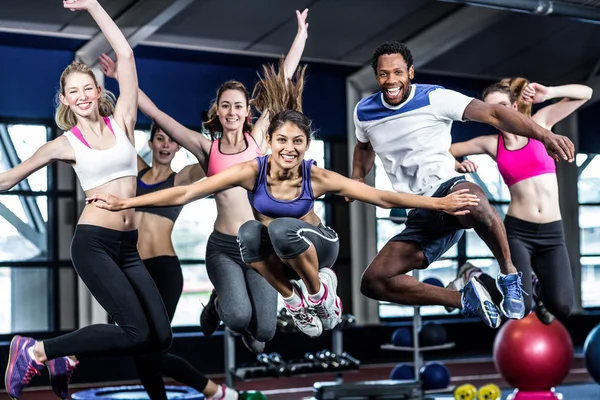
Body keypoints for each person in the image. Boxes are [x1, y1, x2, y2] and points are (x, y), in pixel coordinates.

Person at [86, 63, 481, 338]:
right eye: (281, 141)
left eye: (297, 142)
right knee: (249, 231)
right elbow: (187, 191)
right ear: (268, 142)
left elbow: (379, 195)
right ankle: (294, 300)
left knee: (278, 227)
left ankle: (320, 291)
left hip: (318, 248)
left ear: (306, 145)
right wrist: (127, 204)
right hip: (277, 254)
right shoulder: (251, 170)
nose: (289, 149)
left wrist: (437, 204)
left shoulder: (317, 175)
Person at [98, 8, 310, 353]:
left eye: (238, 106)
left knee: (265, 333)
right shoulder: (204, 148)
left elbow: (282, 81)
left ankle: (228, 308)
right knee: (239, 317)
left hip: (259, 246)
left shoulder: (258, 141)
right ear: (218, 111)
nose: (231, 112)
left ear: (246, 112)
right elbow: (156, 114)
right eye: (225, 106)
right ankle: (218, 304)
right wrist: (122, 78)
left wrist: (300, 34)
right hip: (224, 247)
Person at [2, 1, 173, 399]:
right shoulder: (65, 143)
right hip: (93, 242)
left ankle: (65, 355)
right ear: (64, 100)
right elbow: (10, 177)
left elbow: (126, 55)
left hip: (128, 248)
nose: (81, 96)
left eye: (87, 89)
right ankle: (38, 350)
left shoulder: (124, 121)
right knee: (135, 330)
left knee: (159, 337)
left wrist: (93, 4)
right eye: (72, 92)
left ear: (99, 91)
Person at [349, 40, 576, 329]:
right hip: (419, 211)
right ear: (376, 75)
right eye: (383, 74)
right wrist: (357, 177)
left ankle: (509, 275)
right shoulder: (364, 112)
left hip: (449, 190)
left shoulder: (436, 98)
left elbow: (494, 114)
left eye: (397, 72)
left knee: (474, 201)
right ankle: (462, 298)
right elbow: (363, 146)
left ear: (411, 72)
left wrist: (544, 136)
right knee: (373, 281)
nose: (391, 80)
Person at [446, 78, 592, 324]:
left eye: (503, 106)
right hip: (517, 233)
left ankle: (535, 288)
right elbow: (445, 150)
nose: (499, 113)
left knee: (563, 306)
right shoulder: (491, 144)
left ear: (514, 107)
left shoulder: (540, 124)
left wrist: (551, 92)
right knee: (520, 308)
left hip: (552, 233)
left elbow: (585, 93)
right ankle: (472, 274)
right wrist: (457, 165)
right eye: (493, 110)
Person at [132, 124, 236, 399]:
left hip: (163, 272)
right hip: (134, 271)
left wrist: (222, 133)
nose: (166, 145)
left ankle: (214, 391)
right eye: (160, 139)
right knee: (140, 354)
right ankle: (213, 393)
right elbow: (116, 136)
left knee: (150, 351)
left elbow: (212, 162)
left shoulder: (180, 179)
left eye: (171, 141)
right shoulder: (137, 171)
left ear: (179, 147)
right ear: (151, 142)